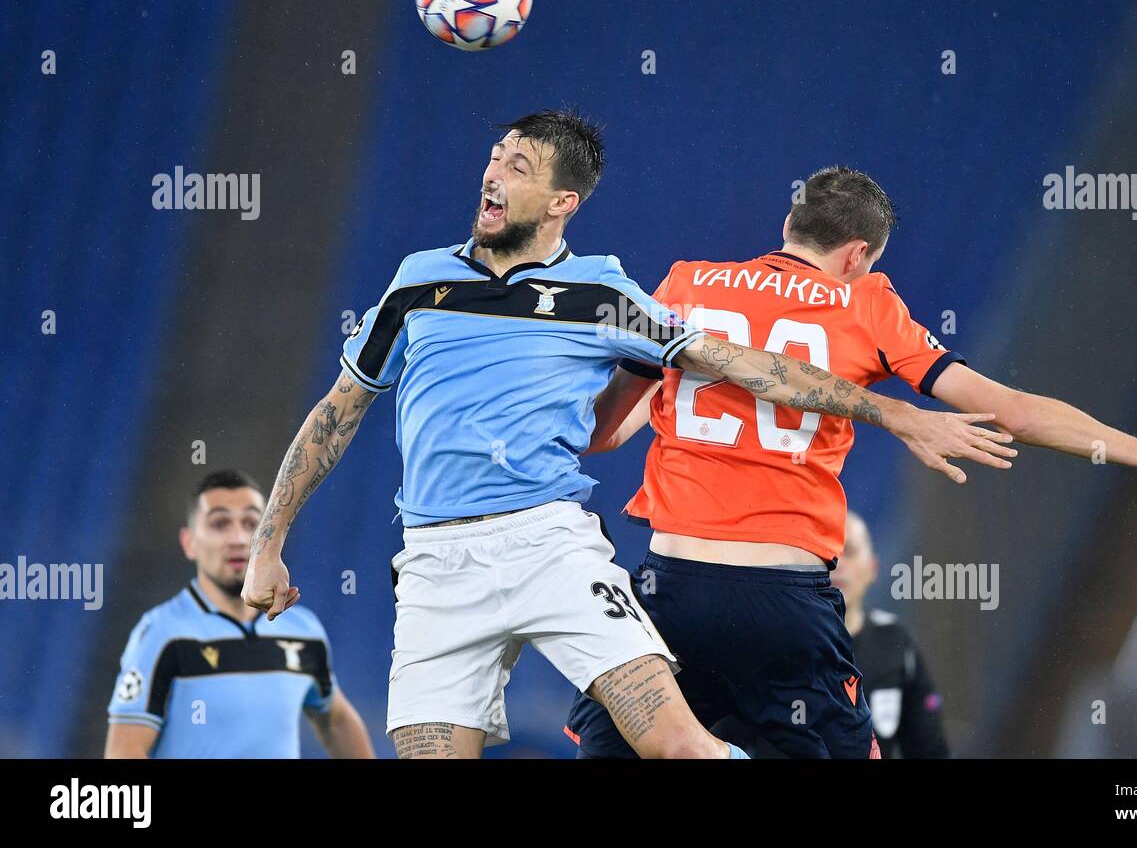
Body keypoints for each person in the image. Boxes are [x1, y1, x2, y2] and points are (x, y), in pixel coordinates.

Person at [241, 113, 1009, 760]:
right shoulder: (417, 282)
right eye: (494, 156)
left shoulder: (603, 294)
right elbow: (335, 414)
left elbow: (739, 363)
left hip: (551, 546)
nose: (495, 172)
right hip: (436, 565)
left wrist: (895, 411)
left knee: (676, 745)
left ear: (561, 202)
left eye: (519, 164)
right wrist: (270, 543)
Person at [564, 164, 1137, 758]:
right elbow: (1010, 411)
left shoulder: (687, 284)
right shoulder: (865, 305)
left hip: (666, 590)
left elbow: (604, 432)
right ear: (859, 253)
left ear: (790, 222)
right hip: (781, 604)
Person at [105, 469, 373, 758]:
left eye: (251, 524)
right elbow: (124, 752)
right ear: (189, 542)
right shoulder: (162, 634)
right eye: (220, 524)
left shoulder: (303, 631)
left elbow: (335, 720)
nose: (239, 538)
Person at [832, 510, 949, 759]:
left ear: (872, 568)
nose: (837, 563)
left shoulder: (896, 644)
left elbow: (929, 748)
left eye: (849, 552)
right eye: (828, 552)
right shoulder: (776, 644)